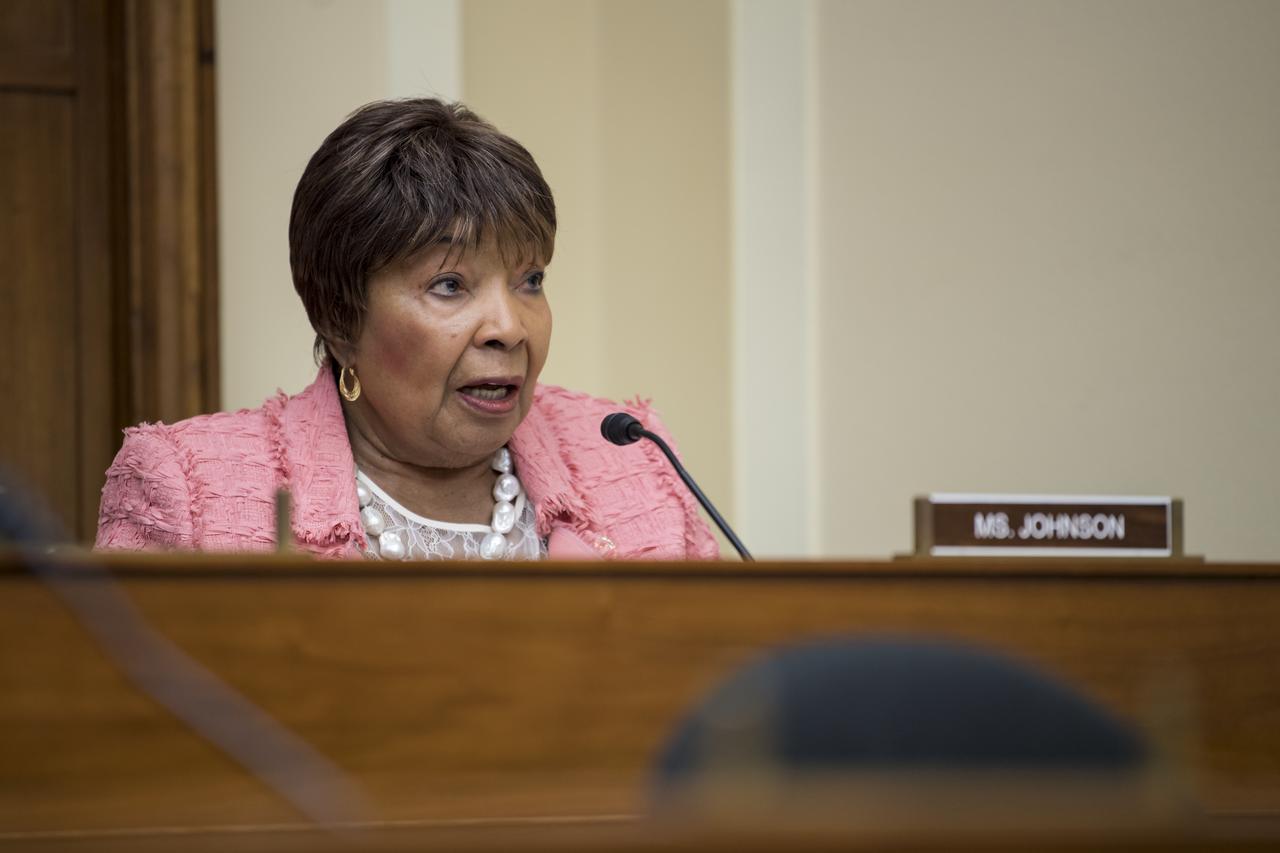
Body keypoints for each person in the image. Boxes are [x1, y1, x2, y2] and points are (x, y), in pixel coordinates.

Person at [96, 98, 718, 561]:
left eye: (530, 280)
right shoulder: (186, 489)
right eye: (450, 285)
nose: (509, 327)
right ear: (340, 318)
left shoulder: (632, 462)